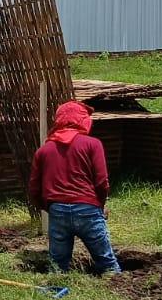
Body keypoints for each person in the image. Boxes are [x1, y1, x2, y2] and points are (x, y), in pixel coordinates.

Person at [29, 100, 120, 274]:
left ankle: (55, 291)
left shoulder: (44, 151)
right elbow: (102, 182)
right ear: (83, 121)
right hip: (88, 209)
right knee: (107, 263)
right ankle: (114, 287)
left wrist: (49, 207)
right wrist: (100, 205)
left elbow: (34, 188)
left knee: (57, 266)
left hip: (57, 211)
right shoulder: (93, 144)